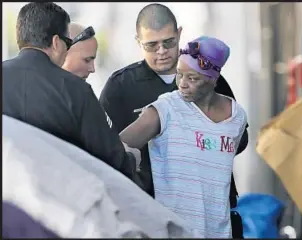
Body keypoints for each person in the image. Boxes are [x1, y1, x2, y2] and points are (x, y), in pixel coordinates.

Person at [99, 3, 248, 206]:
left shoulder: (210, 78)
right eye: (152, 45)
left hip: (212, 204)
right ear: (138, 41)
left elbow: (239, 138)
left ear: (179, 34)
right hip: (150, 205)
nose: (162, 51)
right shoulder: (120, 87)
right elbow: (106, 149)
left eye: (168, 42)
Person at [119, 36, 248, 238]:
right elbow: (115, 148)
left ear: (213, 79)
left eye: (193, 78)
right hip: (174, 232)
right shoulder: (165, 109)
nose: (182, 84)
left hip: (220, 233)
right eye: (179, 75)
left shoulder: (237, 117)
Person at [2, 2, 137, 181]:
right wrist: (132, 158)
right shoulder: (76, 90)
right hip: (58, 202)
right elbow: (114, 162)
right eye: (68, 43)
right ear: (57, 42)